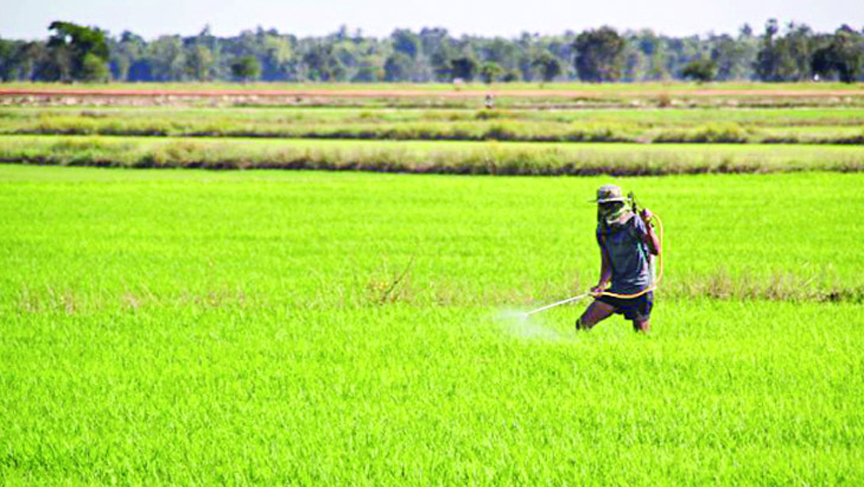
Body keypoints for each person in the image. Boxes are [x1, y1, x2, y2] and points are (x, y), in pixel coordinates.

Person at [576, 184, 661, 333]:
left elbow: (655, 250)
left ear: (619, 204)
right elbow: (607, 262)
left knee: (641, 336)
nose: (606, 208)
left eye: (610, 204)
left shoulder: (634, 222)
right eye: (603, 205)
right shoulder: (602, 230)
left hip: (640, 289)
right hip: (617, 289)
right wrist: (601, 285)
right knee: (582, 325)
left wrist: (647, 225)